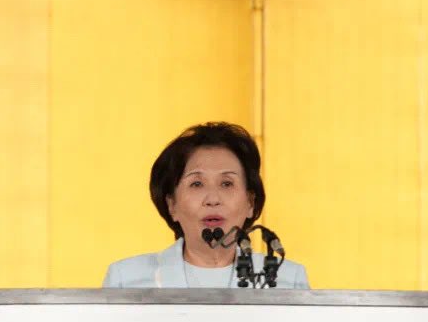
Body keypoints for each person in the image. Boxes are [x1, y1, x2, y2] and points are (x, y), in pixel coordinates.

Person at [102, 122, 309, 289]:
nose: (212, 199)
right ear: (171, 204)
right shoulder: (127, 280)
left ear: (250, 203)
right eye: (197, 184)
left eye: (226, 183)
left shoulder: (287, 281)